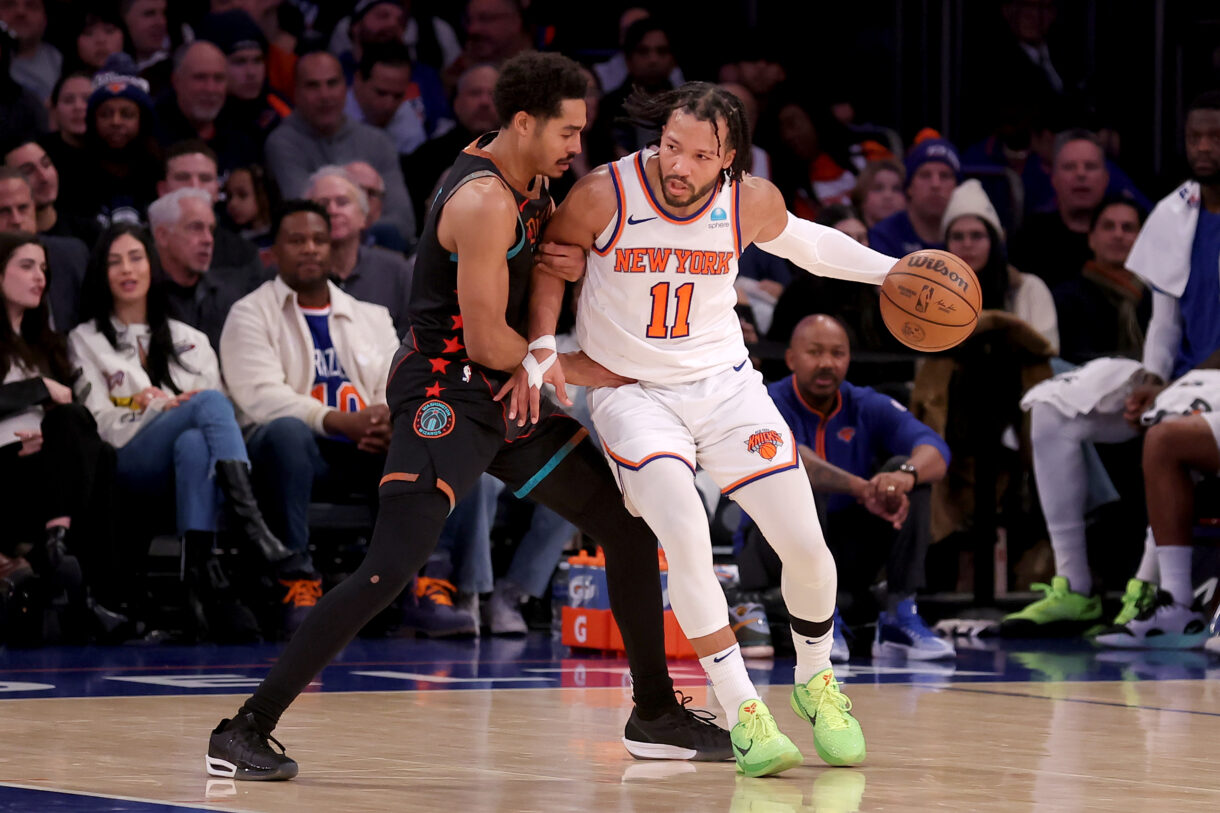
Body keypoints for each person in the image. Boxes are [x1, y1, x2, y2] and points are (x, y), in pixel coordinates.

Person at [205, 53, 731, 782]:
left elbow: (529, 299)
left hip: (505, 388)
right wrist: (579, 370)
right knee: (390, 569)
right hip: (445, 395)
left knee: (626, 523)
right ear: (523, 122)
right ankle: (244, 728)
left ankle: (655, 711)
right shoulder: (482, 199)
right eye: (568, 129)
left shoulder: (533, 176)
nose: (578, 143)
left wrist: (561, 277)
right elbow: (483, 338)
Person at [511, 81, 899, 776]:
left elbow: (808, 245)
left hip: (725, 387)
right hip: (632, 392)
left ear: (730, 158)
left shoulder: (748, 199)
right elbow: (553, 262)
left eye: (698, 154)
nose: (679, 166)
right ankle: (743, 708)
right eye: (670, 147)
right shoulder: (606, 192)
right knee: (685, 536)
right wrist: (544, 341)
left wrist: (892, 272)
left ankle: (816, 678)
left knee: (808, 549)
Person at [1009, 91, 1220, 643]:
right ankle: (1074, 586)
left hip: (1212, 383)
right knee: (1052, 406)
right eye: (1195, 135)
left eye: (1214, 136)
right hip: (1182, 376)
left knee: (1164, 423)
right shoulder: (1176, 210)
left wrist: (1170, 390)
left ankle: (1154, 595)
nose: (1203, 146)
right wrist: (1151, 379)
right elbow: (1166, 321)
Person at [67, 224, 291, 587]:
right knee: (210, 402)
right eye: (114, 262)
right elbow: (96, 423)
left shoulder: (192, 340)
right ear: (100, 273)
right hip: (127, 461)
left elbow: (218, 428)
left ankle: (197, 581)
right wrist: (159, 409)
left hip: (193, 466)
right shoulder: (85, 339)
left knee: (195, 441)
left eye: (136, 258)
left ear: (151, 266)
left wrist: (175, 407)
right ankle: (252, 525)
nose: (127, 269)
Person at [738, 314, 953, 660]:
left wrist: (903, 477)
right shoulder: (764, 400)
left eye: (837, 353)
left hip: (846, 547)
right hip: (771, 549)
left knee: (907, 476)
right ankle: (821, 622)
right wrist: (863, 488)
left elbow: (935, 449)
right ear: (791, 359)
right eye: (815, 352)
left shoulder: (864, 403)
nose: (827, 363)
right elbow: (794, 459)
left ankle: (900, 615)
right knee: (803, 485)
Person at [0, 231, 123, 638]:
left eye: (44, 269)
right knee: (71, 420)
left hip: (46, 470)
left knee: (98, 450)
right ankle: (81, 586)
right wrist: (39, 389)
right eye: (26, 266)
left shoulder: (47, 346)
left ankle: (66, 559)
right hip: (6, 469)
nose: (40, 277)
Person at [264, 50, 416, 245]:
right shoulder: (282, 143)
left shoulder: (378, 142)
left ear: (346, 86)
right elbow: (308, 219)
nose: (325, 95)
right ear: (295, 91)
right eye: (313, 86)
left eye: (332, 83)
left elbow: (404, 223)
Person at [943, 179, 1059, 352]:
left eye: (977, 235)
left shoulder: (1029, 289)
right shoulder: (934, 294)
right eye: (958, 237)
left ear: (994, 241)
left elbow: (1049, 356)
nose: (967, 244)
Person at [305, 165, 413, 336]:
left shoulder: (397, 271)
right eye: (323, 204)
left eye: (342, 202)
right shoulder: (294, 275)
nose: (332, 211)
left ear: (363, 217)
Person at [157, 140, 268, 294]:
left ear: (217, 190)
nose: (194, 186)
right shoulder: (138, 250)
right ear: (162, 189)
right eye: (182, 177)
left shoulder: (244, 255)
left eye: (205, 178)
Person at [1009, 130, 1110, 291]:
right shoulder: (1031, 236)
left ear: (1106, 179)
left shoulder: (1124, 234)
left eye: (1090, 167)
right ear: (1054, 178)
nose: (1081, 174)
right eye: (1070, 167)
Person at [1052, 198, 1148, 365]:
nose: (1118, 235)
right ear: (1091, 239)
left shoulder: (1158, 298)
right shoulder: (1066, 298)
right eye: (1108, 226)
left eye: (1128, 228)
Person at [402, 62, 499, 227]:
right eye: (475, 93)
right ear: (457, 104)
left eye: (493, 94)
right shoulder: (426, 157)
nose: (484, 102)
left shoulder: (527, 156)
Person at [148, 187, 243, 351]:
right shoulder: (141, 297)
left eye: (211, 229)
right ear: (162, 235)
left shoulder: (230, 297)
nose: (208, 240)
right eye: (196, 228)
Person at [0, 169, 87, 331]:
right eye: (3, 211)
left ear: (34, 208)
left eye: (23, 208)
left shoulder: (72, 254)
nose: (16, 220)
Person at [155, 41, 260, 173]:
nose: (210, 89)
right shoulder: (152, 136)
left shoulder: (242, 134)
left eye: (218, 78)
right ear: (176, 81)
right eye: (200, 77)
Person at [868, 135, 959, 256]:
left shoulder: (969, 237)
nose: (935, 184)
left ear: (957, 187)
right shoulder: (884, 236)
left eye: (945, 176)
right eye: (925, 175)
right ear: (909, 187)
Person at [3, 137, 98, 245]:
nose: (44, 177)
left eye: (46, 163)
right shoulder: (6, 245)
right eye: (28, 171)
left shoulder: (88, 233)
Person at [345, 40, 425, 157]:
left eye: (398, 96)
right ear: (358, 80)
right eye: (381, 93)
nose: (389, 105)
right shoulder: (331, 113)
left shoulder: (410, 127)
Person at [0, 0, 60, 102]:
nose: (20, 12)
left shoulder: (63, 62)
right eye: (9, 5)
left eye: (31, 5)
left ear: (45, 18)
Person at [851, 159, 906, 229]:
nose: (888, 195)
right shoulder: (845, 236)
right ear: (862, 195)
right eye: (878, 189)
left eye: (896, 189)